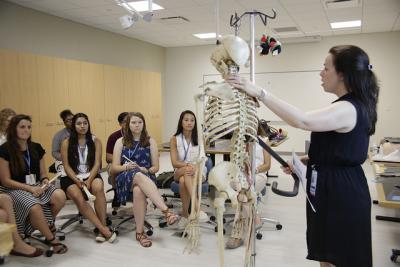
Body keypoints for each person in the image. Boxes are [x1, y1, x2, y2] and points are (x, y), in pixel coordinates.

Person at [226, 45, 379, 267]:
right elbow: (345, 148)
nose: (321, 73)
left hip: (341, 194)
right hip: (332, 187)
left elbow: (302, 120)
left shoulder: (348, 108)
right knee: (327, 254)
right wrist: (308, 161)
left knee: (339, 255)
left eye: (326, 68)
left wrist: (259, 92)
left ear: (343, 74)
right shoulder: (352, 105)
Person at [0, 114, 68, 254]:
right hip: (12, 188)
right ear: (14, 129)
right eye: (22, 127)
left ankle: (42, 224)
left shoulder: (36, 148)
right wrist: (30, 188)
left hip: (36, 185)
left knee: (60, 195)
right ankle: (51, 238)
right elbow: (5, 180)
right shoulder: (4, 150)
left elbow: (43, 174)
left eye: (29, 127)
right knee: (34, 206)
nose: (26, 130)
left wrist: (44, 180)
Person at [112, 112, 178, 248]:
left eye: (140, 122)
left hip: (146, 176)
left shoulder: (150, 141)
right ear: (128, 125)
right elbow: (114, 167)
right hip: (125, 177)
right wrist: (125, 167)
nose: (137, 125)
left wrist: (145, 170)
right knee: (136, 175)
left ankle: (140, 233)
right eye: (133, 122)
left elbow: (155, 167)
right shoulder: (121, 142)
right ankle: (166, 211)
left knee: (138, 190)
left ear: (144, 124)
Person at [60, 113, 116, 243]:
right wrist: (76, 180)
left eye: (85, 123)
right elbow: (66, 166)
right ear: (74, 126)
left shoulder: (95, 140)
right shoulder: (66, 142)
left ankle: (103, 224)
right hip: (71, 177)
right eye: (79, 123)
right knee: (77, 196)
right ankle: (102, 229)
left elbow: (97, 163)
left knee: (98, 186)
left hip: (90, 174)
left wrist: (89, 180)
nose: (82, 126)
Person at [225, 124, 272, 249]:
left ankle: (237, 235)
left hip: (258, 175)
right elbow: (232, 163)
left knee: (243, 194)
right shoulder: (238, 141)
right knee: (243, 191)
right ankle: (255, 218)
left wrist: (253, 170)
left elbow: (267, 165)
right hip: (239, 177)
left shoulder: (264, 141)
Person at [170, 110, 209, 229]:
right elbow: (175, 162)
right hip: (180, 170)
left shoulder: (200, 138)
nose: (189, 123)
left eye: (192, 120)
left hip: (198, 170)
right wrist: (188, 165)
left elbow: (203, 159)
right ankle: (198, 207)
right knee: (185, 172)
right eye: (186, 120)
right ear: (181, 122)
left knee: (183, 181)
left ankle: (185, 215)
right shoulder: (175, 139)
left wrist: (195, 167)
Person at [106, 112, 128, 208]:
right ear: (120, 124)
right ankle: (117, 194)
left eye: (130, 121)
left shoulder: (138, 135)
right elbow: (108, 157)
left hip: (134, 164)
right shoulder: (114, 137)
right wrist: (121, 161)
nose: (127, 124)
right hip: (118, 163)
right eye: (124, 122)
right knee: (114, 168)